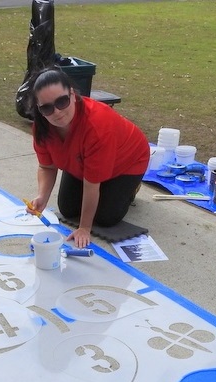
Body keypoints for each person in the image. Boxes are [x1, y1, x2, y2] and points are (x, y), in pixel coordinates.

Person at [26, 67, 150, 248]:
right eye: (47, 107)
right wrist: (42, 197)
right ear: (39, 109)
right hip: (83, 165)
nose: (57, 112)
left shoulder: (97, 126)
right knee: (68, 210)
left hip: (127, 161)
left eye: (62, 101)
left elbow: (91, 184)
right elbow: (47, 167)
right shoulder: (42, 128)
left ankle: (131, 188)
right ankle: (107, 188)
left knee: (106, 218)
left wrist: (85, 227)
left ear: (73, 94)